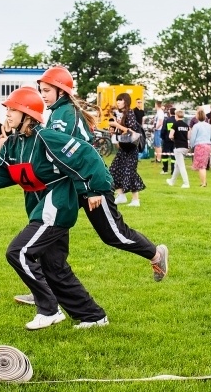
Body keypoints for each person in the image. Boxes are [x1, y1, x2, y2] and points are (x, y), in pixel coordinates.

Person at [0, 87, 112, 331]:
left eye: (12, 110)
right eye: (7, 109)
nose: (7, 115)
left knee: (18, 252)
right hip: (39, 211)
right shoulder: (12, 145)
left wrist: (94, 189)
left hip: (56, 208)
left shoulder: (47, 138)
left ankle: (49, 310)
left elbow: (87, 154)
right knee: (54, 268)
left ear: (28, 115)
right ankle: (93, 316)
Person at [11, 71, 168, 307]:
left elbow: (82, 153)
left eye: (46, 90)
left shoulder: (66, 115)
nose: (42, 96)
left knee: (113, 234)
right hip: (71, 186)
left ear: (61, 91)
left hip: (91, 183)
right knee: (51, 240)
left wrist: (91, 189)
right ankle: (44, 292)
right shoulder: (55, 114)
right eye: (41, 90)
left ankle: (156, 254)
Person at [108, 93, 148, 204]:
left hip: (131, 148)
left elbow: (131, 130)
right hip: (123, 147)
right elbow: (119, 129)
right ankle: (121, 195)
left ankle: (136, 200)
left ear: (126, 101)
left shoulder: (130, 113)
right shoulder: (119, 114)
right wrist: (112, 129)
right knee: (115, 170)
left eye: (120, 100)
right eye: (117, 100)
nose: (118, 102)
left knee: (129, 172)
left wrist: (117, 125)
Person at [189, 109, 211, 187]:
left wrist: (191, 146)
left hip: (200, 146)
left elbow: (193, 138)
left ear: (197, 116)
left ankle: (204, 183)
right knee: (203, 165)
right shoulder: (209, 125)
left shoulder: (196, 126)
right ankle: (202, 182)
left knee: (201, 167)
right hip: (207, 146)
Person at [166, 109, 191, 188]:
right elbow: (189, 136)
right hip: (185, 147)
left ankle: (186, 183)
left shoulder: (175, 125)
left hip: (178, 147)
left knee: (181, 166)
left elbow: (170, 135)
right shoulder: (186, 125)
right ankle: (172, 181)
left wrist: (174, 138)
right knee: (177, 165)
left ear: (176, 116)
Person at [160, 107, 176, 175]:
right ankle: (173, 171)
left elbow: (163, 130)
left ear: (170, 112)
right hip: (175, 141)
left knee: (164, 155)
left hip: (166, 140)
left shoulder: (167, 120)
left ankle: (165, 169)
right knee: (173, 156)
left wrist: (163, 137)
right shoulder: (177, 121)